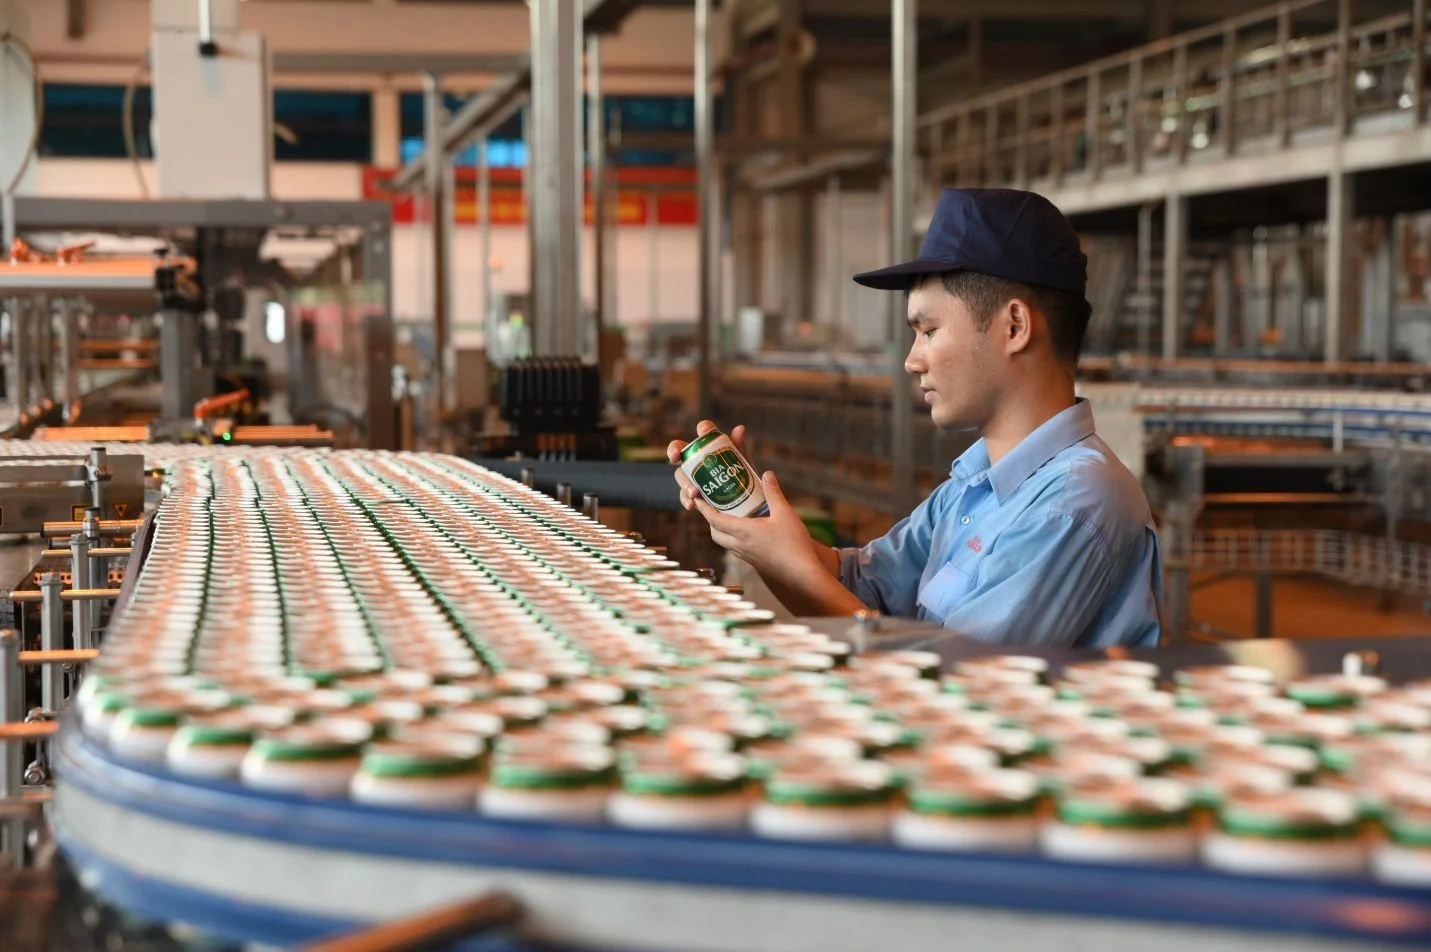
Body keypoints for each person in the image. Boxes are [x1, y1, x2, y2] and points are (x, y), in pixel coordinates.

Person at [667, 188, 1162, 647]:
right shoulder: (975, 486)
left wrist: (796, 570)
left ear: (1014, 326)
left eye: (927, 330)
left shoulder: (1074, 505)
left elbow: (955, 684)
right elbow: (858, 586)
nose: (912, 359)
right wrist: (753, 519)